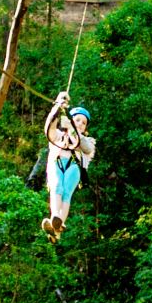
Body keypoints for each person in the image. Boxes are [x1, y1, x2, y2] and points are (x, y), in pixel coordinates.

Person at [42, 91, 95, 240]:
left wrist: (72, 130)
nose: (80, 124)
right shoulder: (58, 135)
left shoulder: (87, 141)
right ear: (71, 120)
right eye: (77, 120)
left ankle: (59, 225)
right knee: (57, 186)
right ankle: (55, 219)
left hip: (73, 166)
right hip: (57, 163)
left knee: (66, 193)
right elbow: (49, 128)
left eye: (83, 123)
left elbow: (86, 148)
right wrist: (58, 107)